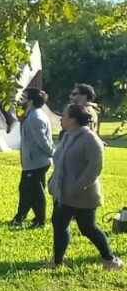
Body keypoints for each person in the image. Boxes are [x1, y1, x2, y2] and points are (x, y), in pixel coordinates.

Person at [48, 104, 123, 270]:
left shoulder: (90, 138)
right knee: (59, 224)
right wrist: (53, 182)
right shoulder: (67, 136)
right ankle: (57, 262)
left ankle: (110, 260)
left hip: (83, 195)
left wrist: (77, 186)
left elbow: (95, 167)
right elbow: (59, 162)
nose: (61, 118)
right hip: (63, 194)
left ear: (73, 119)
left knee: (88, 228)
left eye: (64, 115)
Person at [11, 88, 54, 229]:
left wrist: (53, 153)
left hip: (37, 161)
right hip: (32, 161)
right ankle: (20, 217)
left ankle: (39, 221)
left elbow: (43, 141)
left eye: (24, 97)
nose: (20, 100)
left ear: (31, 101)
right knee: (25, 189)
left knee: (35, 192)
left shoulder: (35, 117)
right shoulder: (32, 115)